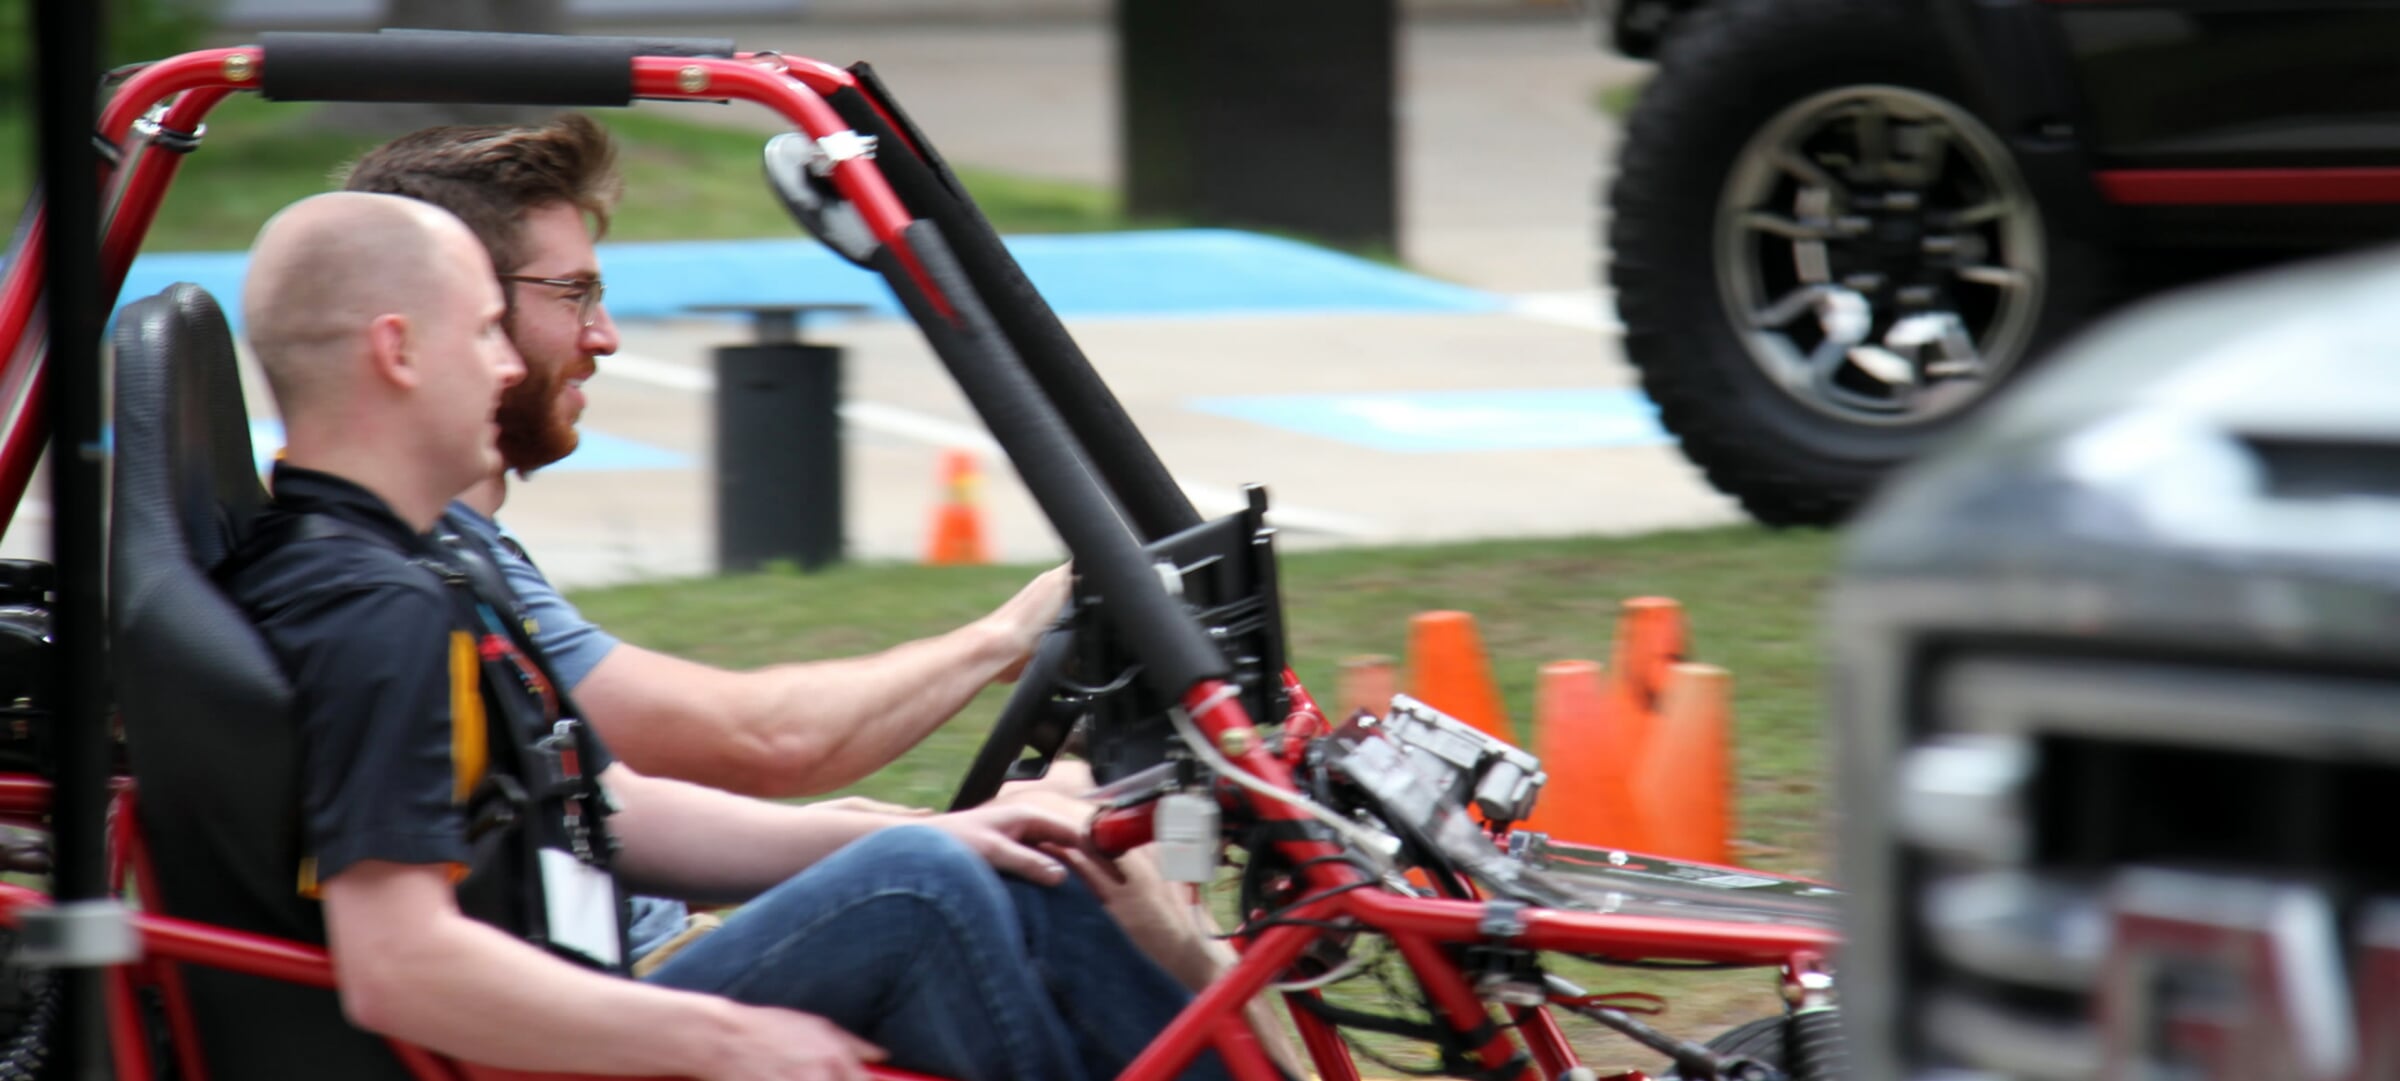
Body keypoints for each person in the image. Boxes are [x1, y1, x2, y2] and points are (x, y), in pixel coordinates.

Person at [223, 190, 1228, 1081]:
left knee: (1003, 860)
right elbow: (401, 967)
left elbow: (606, 805)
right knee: (929, 891)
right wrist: (727, 1041)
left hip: (578, 976)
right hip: (528, 1034)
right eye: (486, 331)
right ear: (396, 350)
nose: (505, 365)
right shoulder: (373, 609)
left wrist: (926, 827)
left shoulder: (430, 562)